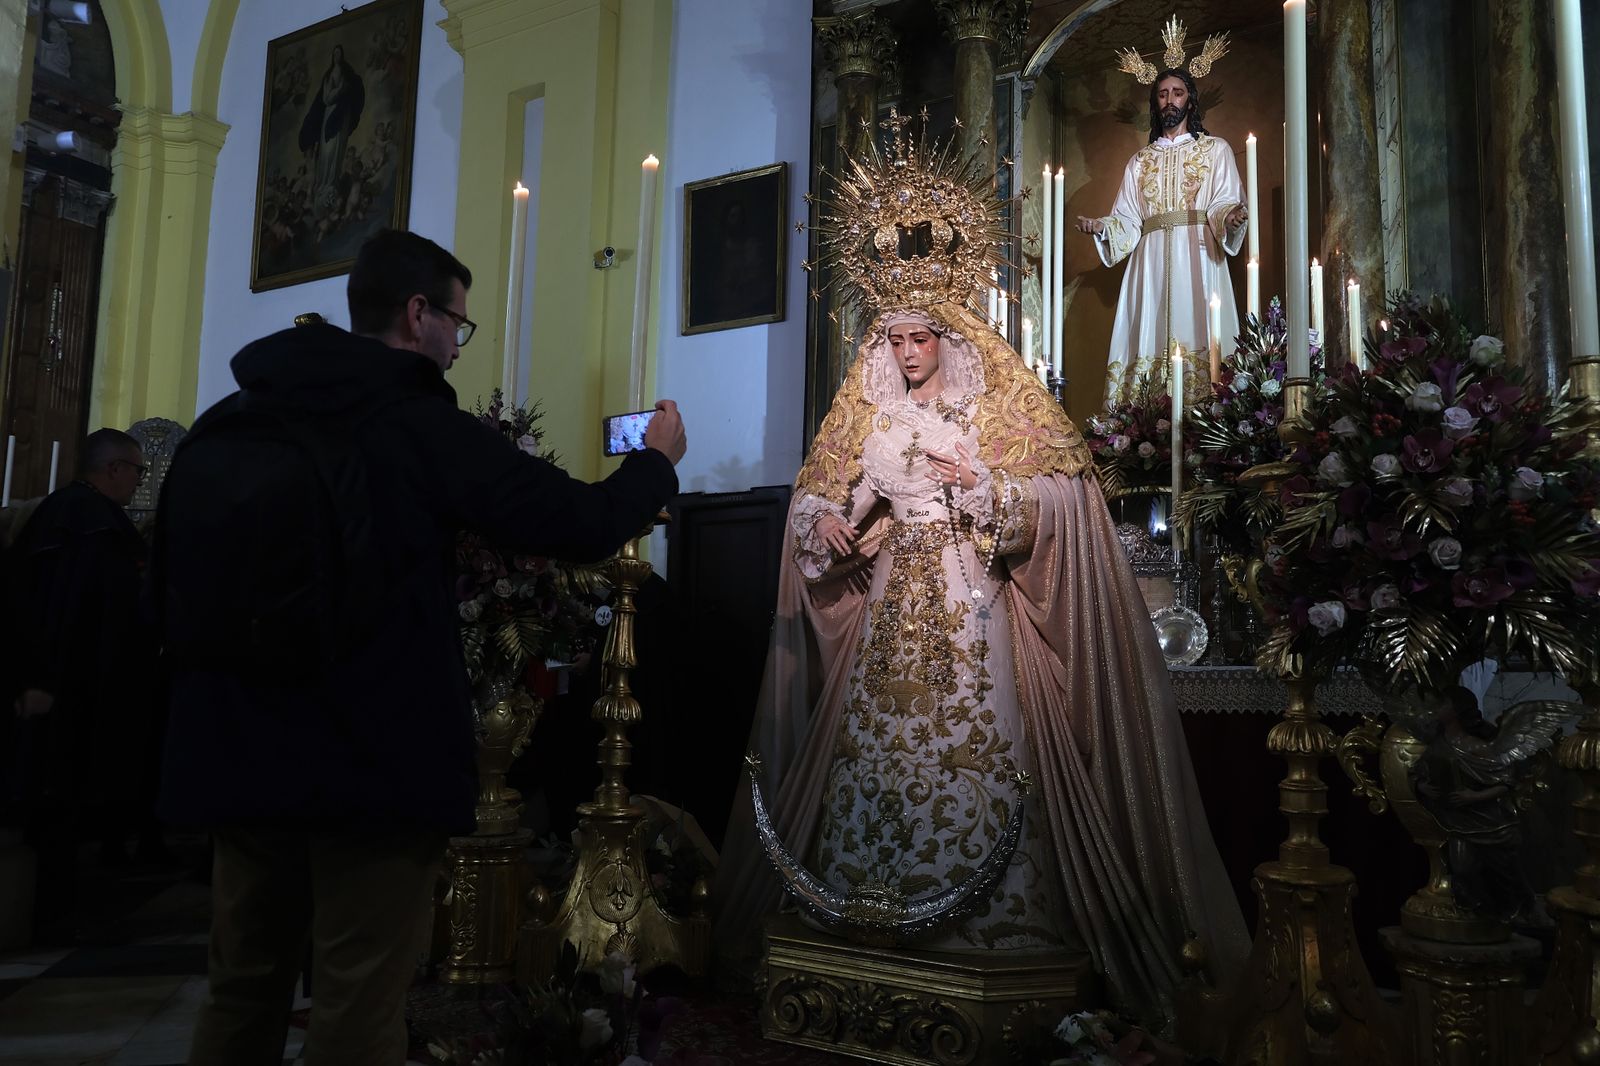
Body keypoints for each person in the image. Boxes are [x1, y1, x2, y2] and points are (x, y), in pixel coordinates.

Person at [157, 229, 686, 1066]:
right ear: (417, 314)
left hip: (237, 746)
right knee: (359, 996)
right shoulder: (410, 421)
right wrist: (655, 463)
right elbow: (576, 521)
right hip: (368, 758)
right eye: (457, 324)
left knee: (242, 986)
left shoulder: (231, 416)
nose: (457, 346)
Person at [715, 302, 1248, 1022]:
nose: (907, 353)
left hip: (970, 599)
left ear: (948, 341)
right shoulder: (877, 419)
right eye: (896, 341)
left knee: (977, 729)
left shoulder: (989, 411)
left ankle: (994, 915)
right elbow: (834, 493)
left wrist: (983, 485)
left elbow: (1059, 494)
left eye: (919, 339)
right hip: (892, 604)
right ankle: (872, 892)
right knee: (878, 742)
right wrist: (826, 518)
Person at [3, 429, 159, 936]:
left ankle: (55, 900)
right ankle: (53, 908)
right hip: (74, 679)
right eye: (137, 471)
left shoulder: (64, 512)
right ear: (113, 468)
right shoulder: (94, 522)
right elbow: (97, 608)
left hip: (59, 675)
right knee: (59, 790)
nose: (139, 481)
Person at [1077, 65, 1247, 406]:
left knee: (1201, 329)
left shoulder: (1215, 150)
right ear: (1155, 103)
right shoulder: (1139, 162)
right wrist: (1104, 227)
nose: (1170, 100)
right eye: (1163, 94)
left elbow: (1224, 200)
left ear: (1190, 102)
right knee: (1149, 331)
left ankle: (1213, 412)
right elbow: (1128, 218)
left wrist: (1230, 216)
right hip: (1150, 261)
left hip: (1199, 255)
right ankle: (1143, 416)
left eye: (1177, 93)